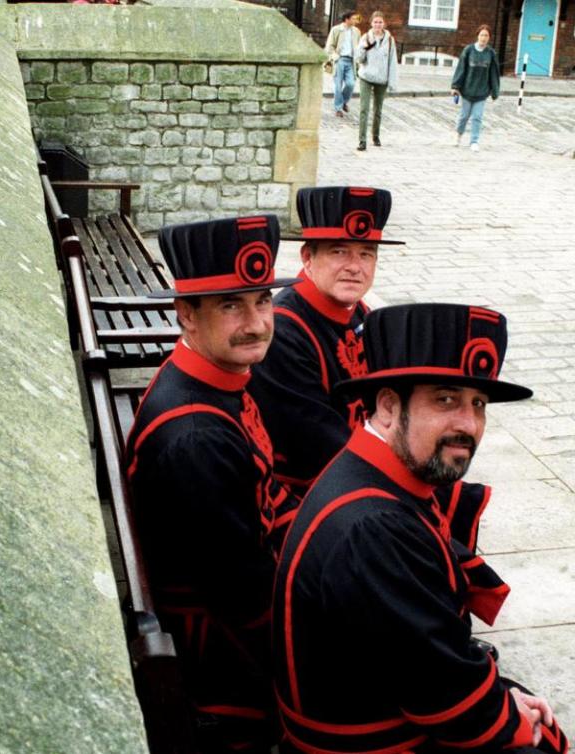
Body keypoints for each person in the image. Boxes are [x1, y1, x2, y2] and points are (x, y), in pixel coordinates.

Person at [273, 303, 569, 754]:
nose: (468, 425)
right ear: (389, 406)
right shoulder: (373, 527)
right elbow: (442, 692)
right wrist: (515, 720)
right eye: (445, 399)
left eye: (478, 404)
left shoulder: (374, 473)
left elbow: (422, 651)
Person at [125, 215, 299, 753]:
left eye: (263, 301)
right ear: (186, 314)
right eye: (231, 305)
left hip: (236, 607)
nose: (256, 322)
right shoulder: (195, 438)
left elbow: (267, 500)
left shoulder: (213, 379)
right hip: (223, 663)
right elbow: (247, 601)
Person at [248, 186, 403, 497]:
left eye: (366, 254)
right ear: (308, 257)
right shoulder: (285, 331)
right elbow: (320, 443)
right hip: (315, 492)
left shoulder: (359, 313)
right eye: (338, 251)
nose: (354, 266)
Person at [452, 24, 500, 152]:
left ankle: (474, 141)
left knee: (477, 117)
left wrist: (495, 91)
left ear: (489, 38)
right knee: (464, 115)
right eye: (482, 35)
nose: (484, 38)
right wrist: (455, 86)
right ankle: (458, 134)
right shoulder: (468, 50)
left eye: (486, 36)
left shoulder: (491, 53)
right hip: (467, 90)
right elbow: (461, 68)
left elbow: (494, 74)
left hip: (482, 92)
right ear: (477, 36)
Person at [355, 10, 398, 151]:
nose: (378, 25)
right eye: (375, 22)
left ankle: (376, 135)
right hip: (366, 76)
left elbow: (392, 63)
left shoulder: (390, 41)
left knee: (378, 110)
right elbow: (359, 59)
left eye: (380, 22)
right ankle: (362, 140)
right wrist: (364, 48)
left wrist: (392, 82)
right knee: (364, 109)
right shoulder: (365, 37)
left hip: (381, 79)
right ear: (371, 23)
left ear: (384, 23)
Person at [325, 10, 361, 119]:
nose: (356, 20)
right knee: (338, 86)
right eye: (354, 18)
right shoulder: (336, 30)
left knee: (350, 84)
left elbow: (358, 47)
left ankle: (344, 101)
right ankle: (338, 108)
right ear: (347, 19)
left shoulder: (357, 31)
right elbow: (329, 46)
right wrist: (335, 57)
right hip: (339, 60)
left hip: (351, 61)